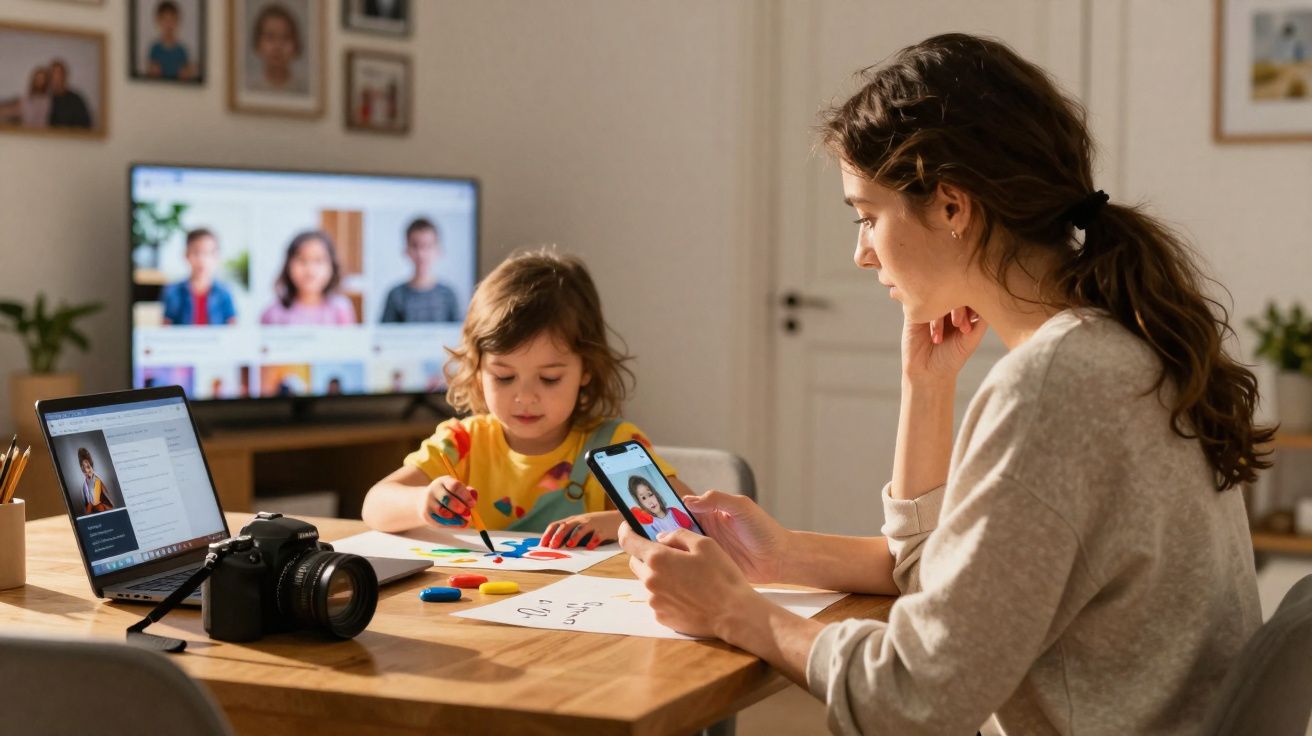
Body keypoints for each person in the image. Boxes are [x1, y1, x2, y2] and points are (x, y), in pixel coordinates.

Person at [619, 33, 1270, 735]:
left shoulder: (1057, 385)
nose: (861, 254)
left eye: (868, 216)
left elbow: (911, 698)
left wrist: (733, 611)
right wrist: (921, 392)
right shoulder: (1121, 345)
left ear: (953, 207)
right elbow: (956, 594)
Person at [362, 249, 688, 549]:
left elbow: (685, 517)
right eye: (504, 376)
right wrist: (422, 502)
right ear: (477, 369)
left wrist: (611, 523)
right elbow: (374, 504)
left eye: (549, 378)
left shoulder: (614, 446)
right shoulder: (462, 442)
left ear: (586, 369)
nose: (525, 397)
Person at [260, 230, 356, 325]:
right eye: (302, 260)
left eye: (318, 261)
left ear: (332, 266)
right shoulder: (273, 314)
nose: (310, 270)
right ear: (288, 266)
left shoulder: (340, 309)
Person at [380, 218, 461, 323]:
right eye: (415, 246)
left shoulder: (448, 295)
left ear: (438, 250)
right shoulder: (395, 295)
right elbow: (385, 335)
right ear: (406, 250)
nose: (421, 254)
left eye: (427, 246)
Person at [162, 229, 238, 326]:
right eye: (196, 253)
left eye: (208, 253)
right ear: (186, 255)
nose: (201, 260)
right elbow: (165, 330)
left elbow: (233, 330)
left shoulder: (225, 292)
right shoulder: (173, 292)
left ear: (216, 256)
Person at [248, 3, 306, 94]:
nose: (277, 46)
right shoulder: (250, 91)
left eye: (286, 37)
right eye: (270, 37)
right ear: (258, 44)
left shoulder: (304, 92)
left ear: (296, 45)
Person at [627, 476, 693, 536]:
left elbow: (692, 529)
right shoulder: (652, 526)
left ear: (655, 494)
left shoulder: (674, 512)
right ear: (640, 503)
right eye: (643, 498)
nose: (650, 502)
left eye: (650, 494)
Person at [146, 1, 195, 81]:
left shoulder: (182, 50)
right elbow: (150, 75)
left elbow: (187, 77)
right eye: (165, 20)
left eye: (172, 20)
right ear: (158, 21)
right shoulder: (154, 49)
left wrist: (188, 73)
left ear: (177, 21)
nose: (168, 25)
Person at [47, 60, 92, 129]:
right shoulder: (45, 99)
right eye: (53, 74)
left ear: (65, 76)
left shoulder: (76, 100)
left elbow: (86, 126)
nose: (56, 78)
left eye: (59, 74)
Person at [77, 447, 114, 515]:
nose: (87, 471)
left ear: (91, 466)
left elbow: (110, 504)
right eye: (83, 468)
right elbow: (88, 507)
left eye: (88, 467)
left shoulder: (98, 480)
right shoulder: (84, 486)